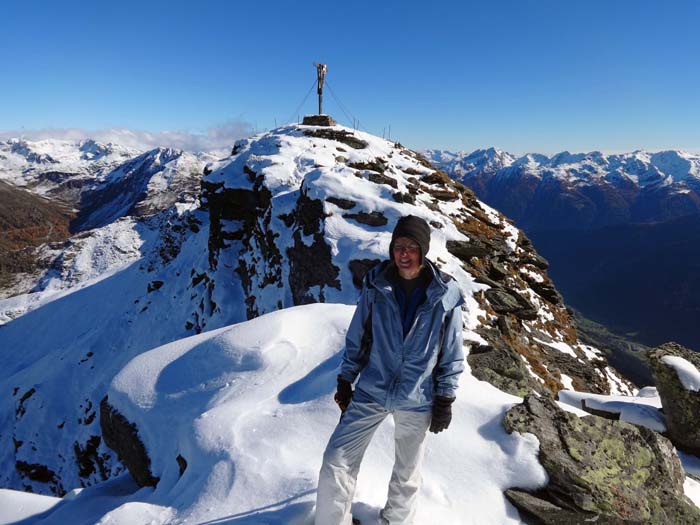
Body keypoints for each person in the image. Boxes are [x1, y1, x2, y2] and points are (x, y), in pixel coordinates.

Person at [315, 215, 466, 525]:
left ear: (423, 251)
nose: (404, 254)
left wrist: (445, 399)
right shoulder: (376, 286)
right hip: (373, 389)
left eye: (412, 247)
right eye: (398, 247)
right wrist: (346, 379)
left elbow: (451, 354)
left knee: (407, 476)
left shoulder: (445, 296)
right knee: (336, 461)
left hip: (417, 396)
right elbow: (358, 336)